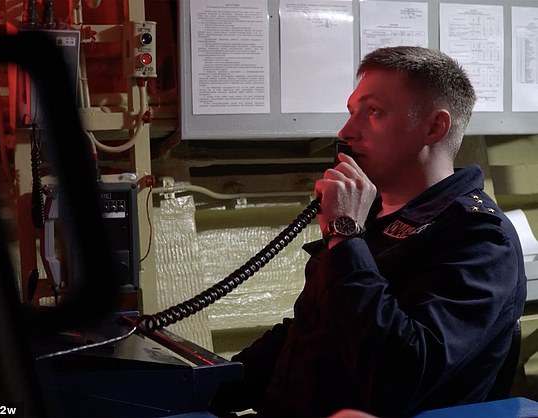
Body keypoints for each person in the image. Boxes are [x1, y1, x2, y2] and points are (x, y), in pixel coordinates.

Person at [209, 46, 527, 417]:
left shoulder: (480, 239)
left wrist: (345, 236)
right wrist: (210, 386)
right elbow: (313, 332)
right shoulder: (375, 218)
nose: (346, 132)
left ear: (434, 127)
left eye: (373, 112)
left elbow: (399, 372)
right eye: (352, 112)